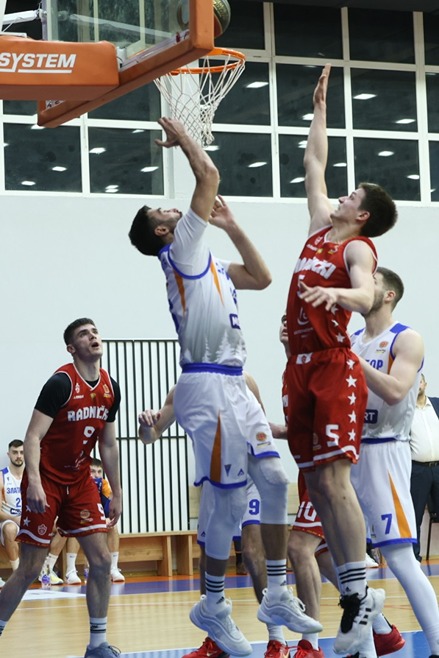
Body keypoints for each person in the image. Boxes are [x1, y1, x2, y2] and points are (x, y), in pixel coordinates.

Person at [129, 116, 321, 656]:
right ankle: (213, 603)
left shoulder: (209, 259)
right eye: (164, 211)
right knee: (228, 506)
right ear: (163, 231)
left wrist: (234, 226)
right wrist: (184, 137)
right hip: (207, 385)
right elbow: (208, 174)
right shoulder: (182, 251)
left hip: (234, 382)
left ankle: (276, 593)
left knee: (276, 480)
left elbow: (262, 277)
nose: (173, 208)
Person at [285, 63, 398, 656]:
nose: (341, 195)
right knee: (316, 484)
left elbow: (366, 294)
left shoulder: (357, 247)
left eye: (351, 195)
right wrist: (320, 110)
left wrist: (338, 298)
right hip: (299, 366)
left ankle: (356, 596)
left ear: (363, 215)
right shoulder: (316, 228)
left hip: (333, 365)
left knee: (334, 479)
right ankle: (360, 597)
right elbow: (314, 162)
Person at [272, 313, 404, 658]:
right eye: (284, 321)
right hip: (309, 474)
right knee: (323, 555)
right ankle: (380, 629)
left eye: (294, 321)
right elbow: (305, 425)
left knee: (299, 548)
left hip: (331, 473)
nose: (288, 326)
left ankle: (310, 644)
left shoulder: (331, 366)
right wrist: (274, 430)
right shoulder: (293, 372)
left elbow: (338, 423)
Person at [138, 376, 290, 658]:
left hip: (250, 476)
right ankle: (216, 638)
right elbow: (151, 436)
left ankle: (277, 639)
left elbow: (261, 427)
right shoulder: (181, 391)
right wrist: (146, 425)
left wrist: (285, 433)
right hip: (215, 480)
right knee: (208, 560)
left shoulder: (244, 380)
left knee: (252, 554)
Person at [0, 318, 123, 658]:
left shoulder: (111, 388)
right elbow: (32, 436)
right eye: (84, 334)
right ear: (72, 348)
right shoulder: (61, 383)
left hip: (80, 481)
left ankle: (97, 645)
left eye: (95, 331)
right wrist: (35, 482)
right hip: (47, 481)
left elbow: (108, 444)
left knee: (101, 561)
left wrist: (117, 491)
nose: (93, 336)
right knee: (29, 568)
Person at [350, 266, 439, 658]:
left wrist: (350, 361)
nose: (359, 286)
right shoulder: (351, 340)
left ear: (388, 295)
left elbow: (395, 390)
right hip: (349, 453)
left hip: (386, 451)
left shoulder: (406, 338)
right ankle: (370, 643)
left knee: (401, 558)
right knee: (338, 557)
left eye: (370, 282)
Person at [43, 458, 125, 585]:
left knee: (112, 526)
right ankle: (63, 570)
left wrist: (111, 505)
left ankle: (113, 568)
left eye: (99, 472)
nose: (96, 475)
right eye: (93, 471)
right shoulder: (76, 483)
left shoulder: (102, 485)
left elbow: (106, 511)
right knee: (75, 525)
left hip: (85, 521)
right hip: (57, 519)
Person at [409, 373, 439, 561]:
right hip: (417, 470)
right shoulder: (405, 411)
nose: (417, 385)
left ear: (425, 384)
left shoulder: (436, 405)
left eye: (419, 381)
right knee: (415, 515)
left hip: (438, 468)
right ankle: (414, 558)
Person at [0, 440, 25, 585]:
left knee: (63, 524)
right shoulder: (2, 476)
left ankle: (49, 568)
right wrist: (15, 519)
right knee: (10, 528)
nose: (18, 456)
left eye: (21, 452)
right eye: (15, 452)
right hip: (10, 519)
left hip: (29, 519)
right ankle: (17, 574)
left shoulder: (33, 476)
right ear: (8, 454)